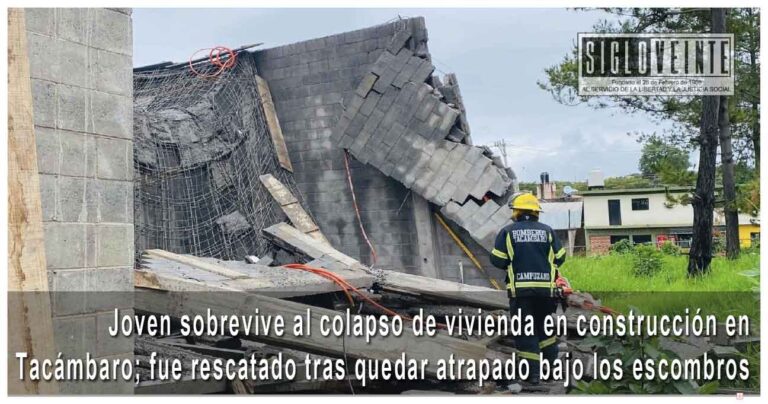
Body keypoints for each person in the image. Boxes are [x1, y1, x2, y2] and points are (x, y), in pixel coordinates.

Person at [489, 192, 567, 386]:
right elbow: (560, 257)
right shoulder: (548, 231)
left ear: (517, 212)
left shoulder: (507, 232)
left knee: (525, 332)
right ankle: (552, 371)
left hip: (521, 294)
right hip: (546, 293)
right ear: (535, 212)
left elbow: (497, 260)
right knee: (545, 332)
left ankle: (533, 376)